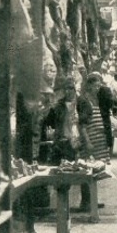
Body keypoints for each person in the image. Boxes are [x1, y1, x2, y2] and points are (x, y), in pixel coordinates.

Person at [41, 76, 94, 212]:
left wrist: (79, 119)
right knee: (62, 173)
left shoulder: (82, 102)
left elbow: (88, 115)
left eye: (70, 88)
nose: (68, 91)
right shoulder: (59, 105)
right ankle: (62, 204)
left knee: (85, 172)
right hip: (63, 141)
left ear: (74, 88)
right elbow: (50, 121)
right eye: (66, 89)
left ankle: (87, 203)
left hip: (80, 140)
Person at [82, 72, 116, 161]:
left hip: (101, 141)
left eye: (99, 86)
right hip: (92, 140)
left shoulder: (99, 97)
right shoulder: (85, 101)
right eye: (95, 86)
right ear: (89, 86)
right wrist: (87, 142)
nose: (98, 89)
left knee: (102, 166)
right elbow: (82, 125)